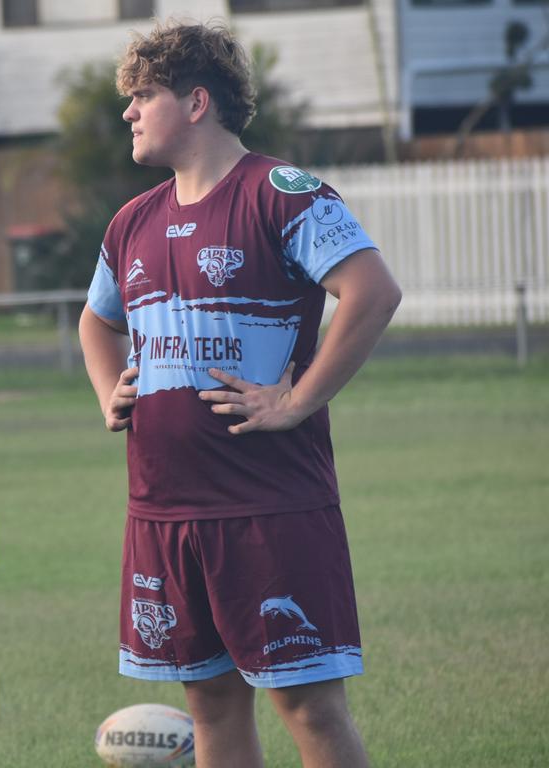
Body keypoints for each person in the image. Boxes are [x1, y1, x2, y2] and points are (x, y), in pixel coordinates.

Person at [79, 21, 401, 768]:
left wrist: (296, 400)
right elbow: (98, 323)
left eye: (143, 96)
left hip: (269, 508)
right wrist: (109, 391)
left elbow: (372, 292)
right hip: (162, 511)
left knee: (309, 709)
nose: (128, 111)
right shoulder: (132, 221)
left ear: (197, 102)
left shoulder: (282, 194)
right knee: (213, 707)